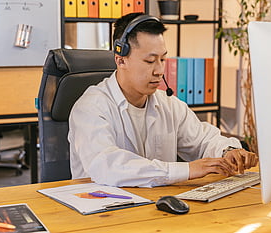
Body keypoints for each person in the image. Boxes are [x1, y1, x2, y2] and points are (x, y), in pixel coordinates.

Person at [68, 12, 258, 187]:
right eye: (150, 61)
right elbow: (106, 166)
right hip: (102, 211)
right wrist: (188, 170)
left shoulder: (168, 104)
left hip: (156, 208)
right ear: (121, 60)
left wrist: (227, 152)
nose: (160, 70)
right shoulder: (90, 107)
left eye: (163, 59)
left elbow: (203, 140)